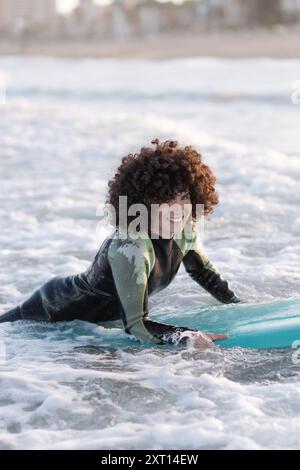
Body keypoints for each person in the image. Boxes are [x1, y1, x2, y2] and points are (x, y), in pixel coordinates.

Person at [0, 139, 240, 349]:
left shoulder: (186, 232)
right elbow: (136, 326)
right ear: (143, 202)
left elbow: (205, 275)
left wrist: (239, 307)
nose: (178, 209)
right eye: (165, 199)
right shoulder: (132, 247)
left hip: (98, 319)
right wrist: (185, 335)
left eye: (184, 197)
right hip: (51, 309)